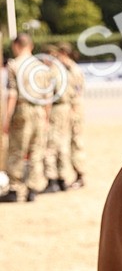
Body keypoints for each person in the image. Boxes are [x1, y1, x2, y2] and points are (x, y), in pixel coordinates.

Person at [1, 33, 48, 202]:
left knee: (17, 150)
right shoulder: (40, 66)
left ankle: (14, 188)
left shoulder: (14, 65)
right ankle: (33, 189)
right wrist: (46, 117)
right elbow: (47, 95)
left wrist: (6, 119)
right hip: (39, 111)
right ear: (31, 46)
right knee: (36, 149)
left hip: (22, 109)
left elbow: (12, 94)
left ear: (16, 46)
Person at [42, 45, 72, 192]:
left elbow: (48, 97)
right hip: (66, 109)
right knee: (63, 144)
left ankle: (52, 180)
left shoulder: (51, 73)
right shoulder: (64, 71)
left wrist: (46, 117)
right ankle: (62, 179)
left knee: (50, 145)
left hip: (56, 109)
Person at [60, 43, 86, 188]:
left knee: (76, 142)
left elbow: (77, 91)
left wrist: (73, 110)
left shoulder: (73, 70)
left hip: (74, 108)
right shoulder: (67, 69)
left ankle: (80, 174)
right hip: (72, 107)